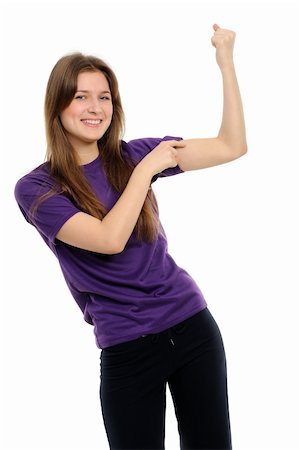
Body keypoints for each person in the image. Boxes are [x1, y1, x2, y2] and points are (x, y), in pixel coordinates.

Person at [14, 23, 247, 450]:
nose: (95, 107)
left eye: (104, 96)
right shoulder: (37, 188)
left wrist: (225, 61)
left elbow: (232, 146)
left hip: (192, 326)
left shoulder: (132, 154)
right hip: (126, 347)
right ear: (58, 105)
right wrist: (145, 171)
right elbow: (109, 239)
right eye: (81, 95)